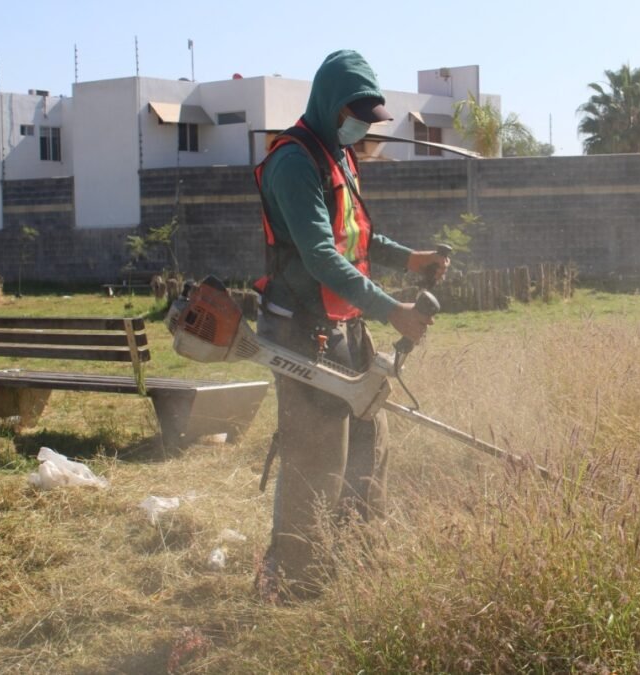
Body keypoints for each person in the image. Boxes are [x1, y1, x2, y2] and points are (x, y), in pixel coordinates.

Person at [252, 49, 448, 600]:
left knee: (370, 441)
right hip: (302, 328)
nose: (363, 127)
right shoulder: (294, 161)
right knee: (318, 461)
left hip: (344, 324)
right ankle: (295, 585)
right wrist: (396, 311)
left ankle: (357, 563)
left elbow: (355, 240)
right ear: (331, 105)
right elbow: (319, 256)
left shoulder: (337, 153)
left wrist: (410, 258)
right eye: (355, 115)